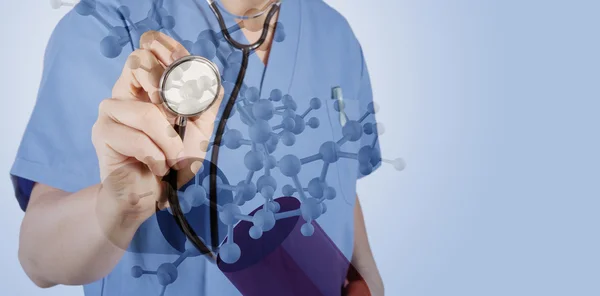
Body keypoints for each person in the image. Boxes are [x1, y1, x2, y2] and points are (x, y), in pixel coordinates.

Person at [11, 0, 385, 295]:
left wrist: (366, 274)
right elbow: (37, 257)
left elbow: (340, 177)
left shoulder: (336, 34)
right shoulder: (109, 23)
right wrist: (122, 205)